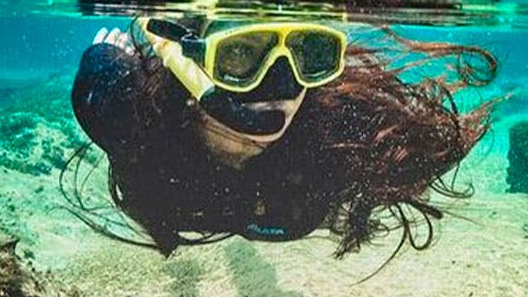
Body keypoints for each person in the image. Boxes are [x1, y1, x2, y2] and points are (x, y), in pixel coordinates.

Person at [67, 14, 497, 261]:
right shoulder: (124, 111)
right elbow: (98, 87)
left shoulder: (332, 127)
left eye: (310, 54)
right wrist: (104, 61)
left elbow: (424, 149)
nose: (283, 87)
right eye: (239, 55)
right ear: (187, 68)